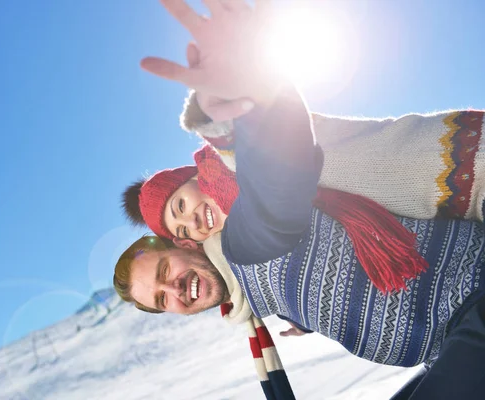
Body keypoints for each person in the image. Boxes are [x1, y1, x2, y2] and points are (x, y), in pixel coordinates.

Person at [116, 0, 485, 399]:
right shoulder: (249, 293)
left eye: (164, 272)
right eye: (160, 300)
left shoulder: (243, 243)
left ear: (183, 249)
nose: (174, 290)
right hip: (447, 338)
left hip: (470, 297)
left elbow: (278, 177)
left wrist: (243, 97)